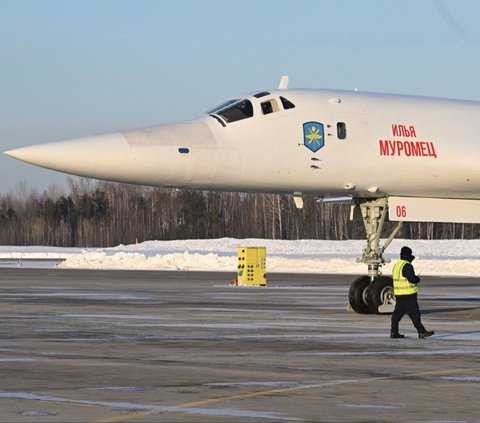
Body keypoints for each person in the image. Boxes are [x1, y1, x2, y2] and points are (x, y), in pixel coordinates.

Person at [390, 246, 435, 339]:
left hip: (399, 295)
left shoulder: (397, 265)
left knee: (396, 315)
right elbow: (411, 279)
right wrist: (417, 279)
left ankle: (394, 332)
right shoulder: (407, 265)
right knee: (415, 315)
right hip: (409, 295)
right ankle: (421, 331)